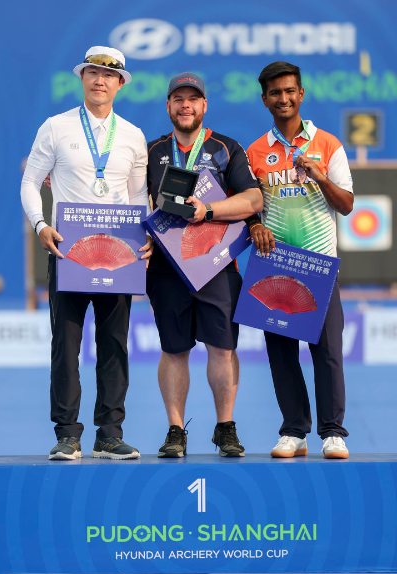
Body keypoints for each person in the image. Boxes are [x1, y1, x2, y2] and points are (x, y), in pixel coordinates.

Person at [21, 46, 153, 460]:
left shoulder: (132, 135)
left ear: (120, 84)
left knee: (115, 345)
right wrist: (40, 225)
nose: (100, 80)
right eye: (93, 72)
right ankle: (67, 434)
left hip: (118, 255)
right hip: (68, 254)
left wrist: (145, 236)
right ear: (82, 77)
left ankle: (109, 434)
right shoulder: (56, 127)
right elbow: (30, 182)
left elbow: (138, 197)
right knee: (66, 345)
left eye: (109, 75)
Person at [147, 72, 263, 458]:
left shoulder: (226, 148)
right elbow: (125, 195)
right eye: (178, 99)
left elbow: (253, 200)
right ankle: (175, 430)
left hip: (216, 264)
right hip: (166, 266)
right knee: (173, 349)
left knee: (223, 347)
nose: (186, 105)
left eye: (193, 99)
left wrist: (209, 210)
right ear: (168, 106)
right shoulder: (151, 152)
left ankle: (225, 427)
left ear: (204, 105)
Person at [247, 61, 354, 459]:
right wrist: (254, 224)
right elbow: (249, 206)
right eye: (275, 93)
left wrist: (320, 176)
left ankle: (333, 432)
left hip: (318, 265)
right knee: (281, 354)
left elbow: (346, 205)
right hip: (274, 265)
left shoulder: (328, 144)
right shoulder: (255, 152)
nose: (284, 98)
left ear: (301, 94)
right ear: (265, 100)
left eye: (290, 91)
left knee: (327, 353)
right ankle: (294, 431)